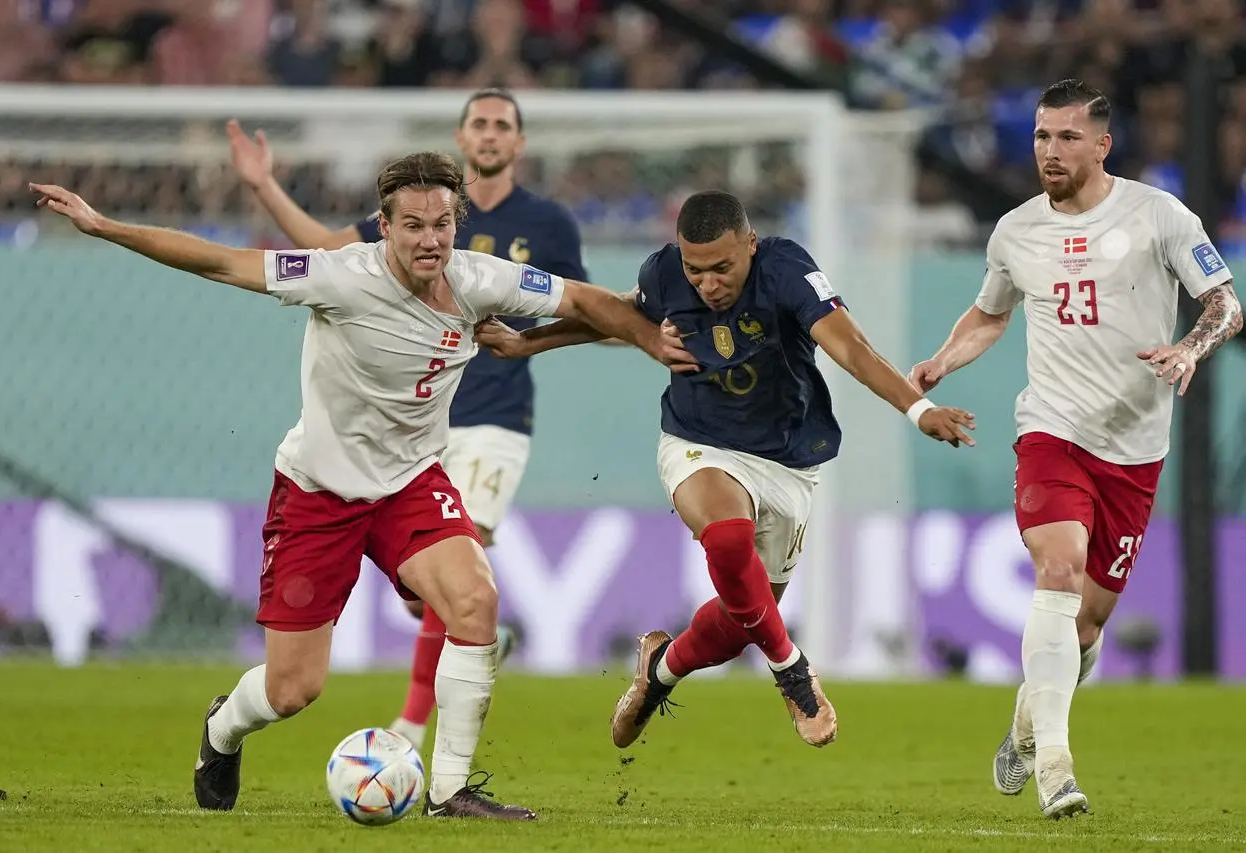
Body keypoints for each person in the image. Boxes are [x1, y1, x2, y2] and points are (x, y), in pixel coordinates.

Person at [28, 151, 695, 820]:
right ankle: (223, 726)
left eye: (442, 223)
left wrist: (648, 342)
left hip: (409, 483)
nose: (429, 239)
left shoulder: (481, 280)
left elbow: (582, 299)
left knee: (474, 602)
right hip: (317, 493)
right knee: (293, 688)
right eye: (412, 225)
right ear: (384, 225)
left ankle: (449, 790)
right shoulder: (337, 276)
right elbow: (219, 261)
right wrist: (105, 225)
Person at [476, 189, 977, 751]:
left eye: (722, 268)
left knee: (743, 620)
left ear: (750, 245)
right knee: (728, 536)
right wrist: (528, 343)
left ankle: (660, 670)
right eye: (695, 270)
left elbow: (852, 349)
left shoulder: (786, 270)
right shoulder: (666, 273)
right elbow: (615, 315)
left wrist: (920, 408)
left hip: (788, 461)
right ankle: (793, 672)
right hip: (699, 443)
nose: (707, 284)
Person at [906, 79, 1243, 819]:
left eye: (1064, 137)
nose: (1048, 151)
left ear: (1101, 144)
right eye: (1038, 136)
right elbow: (989, 314)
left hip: (1135, 450)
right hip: (1051, 431)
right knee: (1055, 571)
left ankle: (1028, 722)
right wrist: (941, 359)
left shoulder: (1159, 215)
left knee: (1085, 625)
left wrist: (1189, 348)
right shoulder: (1015, 230)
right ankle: (1056, 767)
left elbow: (1225, 302)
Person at [226, 88, 591, 752]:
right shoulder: (419, 214)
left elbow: (586, 310)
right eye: (478, 123)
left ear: (518, 144)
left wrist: (532, 341)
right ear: (460, 135)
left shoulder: (547, 224)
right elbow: (329, 251)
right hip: (398, 429)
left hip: (491, 417)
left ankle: (413, 722)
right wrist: (265, 187)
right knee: (421, 607)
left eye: (501, 125)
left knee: (468, 571)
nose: (488, 134)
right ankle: (451, 646)